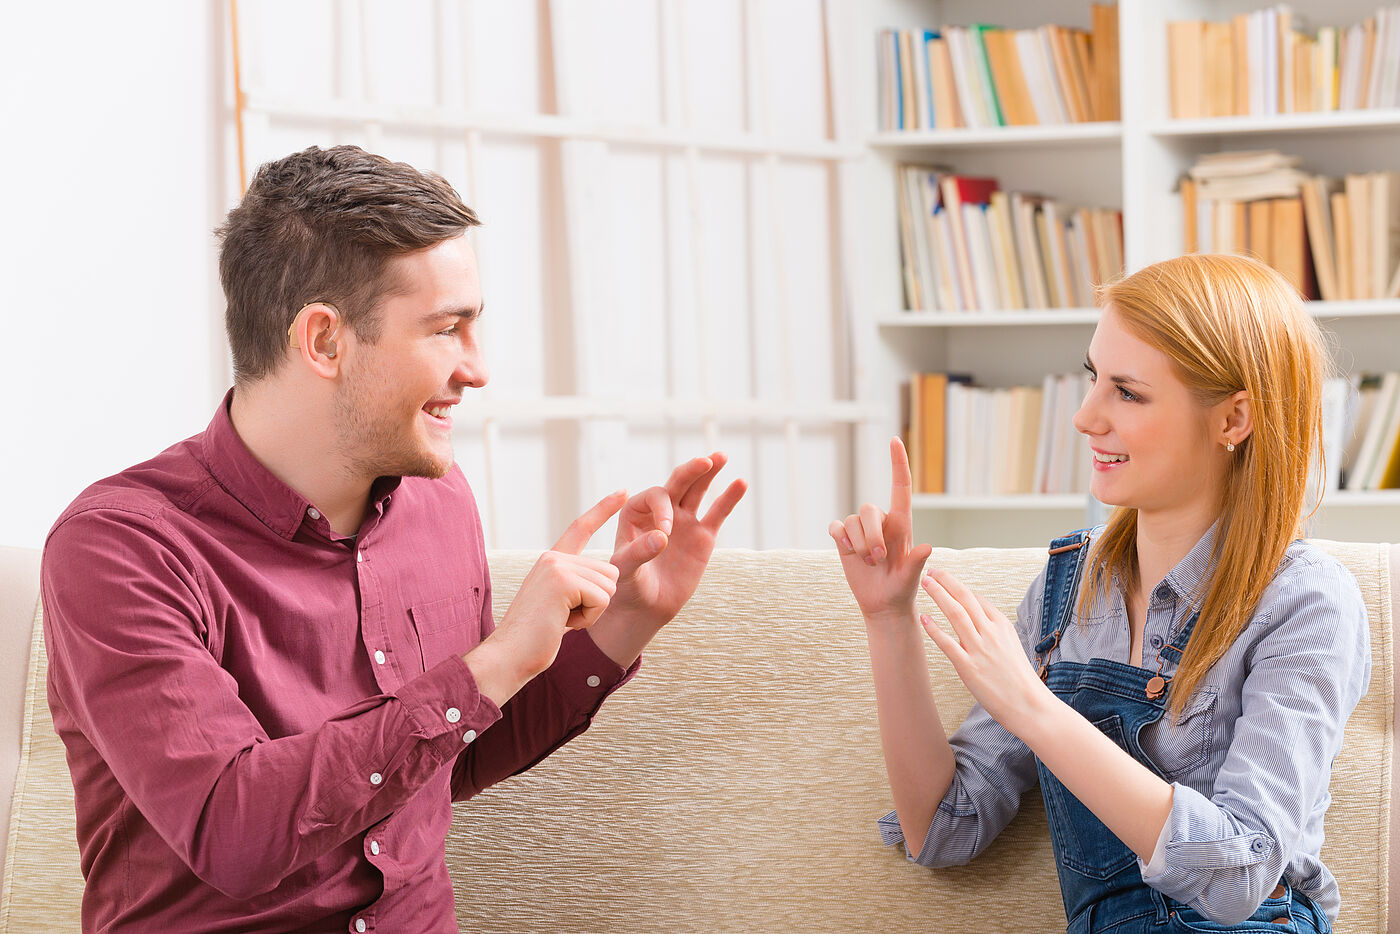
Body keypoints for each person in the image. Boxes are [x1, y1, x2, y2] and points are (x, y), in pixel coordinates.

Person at [41, 144, 746, 933]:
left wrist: (628, 619)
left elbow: (451, 753)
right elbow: (232, 830)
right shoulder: (121, 549)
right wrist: (495, 661)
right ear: (324, 341)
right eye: (449, 329)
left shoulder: (439, 502)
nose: (477, 369)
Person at [830, 253, 1369, 933]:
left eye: (1127, 391)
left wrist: (1037, 711)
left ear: (1234, 419)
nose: (1086, 417)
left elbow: (1241, 875)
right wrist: (888, 619)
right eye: (1093, 379)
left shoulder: (1305, 602)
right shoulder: (1066, 593)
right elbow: (942, 829)